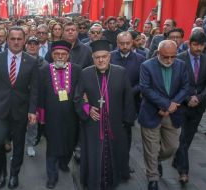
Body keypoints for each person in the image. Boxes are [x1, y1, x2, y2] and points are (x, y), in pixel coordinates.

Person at [74, 39, 136, 190]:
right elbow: (77, 97)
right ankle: (94, 182)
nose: (101, 60)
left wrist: (127, 121)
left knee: (115, 151)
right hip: (93, 124)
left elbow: (128, 98)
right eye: (97, 57)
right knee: (94, 154)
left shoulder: (120, 72)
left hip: (115, 121)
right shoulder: (85, 73)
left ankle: (114, 179)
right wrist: (87, 108)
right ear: (93, 58)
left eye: (104, 56)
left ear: (109, 56)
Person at [0, 26, 38, 189]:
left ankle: (14, 174)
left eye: (19, 39)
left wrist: (32, 110)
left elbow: (35, 89)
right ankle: (2, 172)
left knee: (19, 145)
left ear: (24, 40)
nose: (16, 42)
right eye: (12, 39)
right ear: (7, 40)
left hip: (20, 111)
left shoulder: (32, 61)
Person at [139, 40, 189, 190]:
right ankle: (152, 178)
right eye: (166, 56)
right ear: (158, 53)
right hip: (151, 113)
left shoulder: (181, 65)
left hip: (173, 114)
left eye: (173, 56)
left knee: (172, 147)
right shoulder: (147, 66)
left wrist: (172, 104)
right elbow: (145, 89)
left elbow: (186, 87)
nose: (169, 60)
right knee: (151, 148)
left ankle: (156, 161)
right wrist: (165, 105)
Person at [38, 40, 81, 189]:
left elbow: (82, 93)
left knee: (70, 144)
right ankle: (52, 176)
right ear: (52, 55)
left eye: (63, 54)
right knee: (52, 147)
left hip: (72, 116)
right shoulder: (44, 70)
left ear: (68, 55)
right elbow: (40, 96)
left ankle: (64, 163)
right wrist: (41, 118)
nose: (60, 57)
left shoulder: (77, 70)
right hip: (52, 117)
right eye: (57, 54)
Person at [172, 32, 206, 184]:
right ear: (190, 44)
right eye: (195, 45)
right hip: (182, 103)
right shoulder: (180, 58)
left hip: (199, 105)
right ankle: (183, 172)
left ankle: (178, 159)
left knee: (188, 137)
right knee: (182, 138)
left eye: (201, 45)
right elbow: (177, 81)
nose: (198, 48)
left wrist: (200, 97)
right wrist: (188, 98)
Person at [110, 31, 146, 173]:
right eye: (121, 43)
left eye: (127, 43)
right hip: (112, 102)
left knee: (126, 134)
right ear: (117, 43)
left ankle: (124, 163)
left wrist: (129, 92)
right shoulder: (110, 57)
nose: (124, 46)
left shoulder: (141, 59)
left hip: (131, 103)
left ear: (132, 42)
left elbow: (143, 82)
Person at [25, 36, 48, 157]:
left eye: (35, 44)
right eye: (30, 44)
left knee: (32, 123)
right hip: (20, 97)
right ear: (26, 45)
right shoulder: (20, 59)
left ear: (39, 46)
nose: (32, 46)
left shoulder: (44, 64)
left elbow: (45, 85)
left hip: (35, 99)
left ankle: (30, 144)